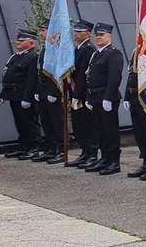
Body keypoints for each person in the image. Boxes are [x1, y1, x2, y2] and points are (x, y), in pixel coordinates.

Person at [84, 22, 124, 175]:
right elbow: (90, 76)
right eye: (97, 35)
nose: (99, 37)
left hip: (107, 97)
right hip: (95, 96)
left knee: (110, 131)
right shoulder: (96, 53)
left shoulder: (113, 53)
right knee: (100, 130)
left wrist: (108, 97)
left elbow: (114, 77)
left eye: (102, 35)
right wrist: (89, 97)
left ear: (109, 37)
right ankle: (105, 158)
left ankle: (114, 161)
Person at [0, 29, 40, 160]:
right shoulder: (16, 56)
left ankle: (34, 148)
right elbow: (7, 75)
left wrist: (27, 97)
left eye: (22, 41)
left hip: (24, 94)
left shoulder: (32, 57)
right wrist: (3, 94)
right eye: (18, 40)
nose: (18, 42)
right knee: (20, 123)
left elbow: (31, 79)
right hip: (13, 95)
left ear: (31, 43)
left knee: (29, 122)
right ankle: (24, 146)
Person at [66, 19, 98, 168]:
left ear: (87, 34)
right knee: (79, 125)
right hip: (75, 91)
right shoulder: (78, 49)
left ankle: (91, 154)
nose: (76, 34)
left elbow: (82, 76)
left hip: (83, 94)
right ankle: (84, 152)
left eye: (79, 32)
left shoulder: (88, 49)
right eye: (75, 31)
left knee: (87, 125)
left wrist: (77, 95)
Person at [33, 19, 65, 164]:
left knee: (57, 122)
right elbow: (40, 72)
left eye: (44, 30)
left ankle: (61, 150)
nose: (41, 33)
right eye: (40, 31)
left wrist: (54, 91)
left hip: (53, 91)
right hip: (43, 90)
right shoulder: (45, 48)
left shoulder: (56, 49)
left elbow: (57, 73)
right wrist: (38, 90)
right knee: (46, 121)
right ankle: (50, 148)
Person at [123, 49, 146, 181]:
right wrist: (126, 96)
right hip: (133, 97)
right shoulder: (135, 51)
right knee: (139, 133)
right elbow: (131, 74)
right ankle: (145, 163)